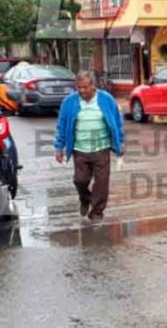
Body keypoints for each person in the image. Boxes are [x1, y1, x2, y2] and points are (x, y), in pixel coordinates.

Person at [54, 71, 125, 222]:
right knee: (80, 180)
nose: (82, 91)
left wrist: (121, 141)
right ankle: (85, 198)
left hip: (102, 147)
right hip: (80, 149)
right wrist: (59, 147)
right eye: (79, 88)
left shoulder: (106, 99)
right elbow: (62, 125)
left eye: (85, 87)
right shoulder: (69, 102)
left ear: (93, 86)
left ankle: (97, 212)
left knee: (101, 182)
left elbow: (117, 122)